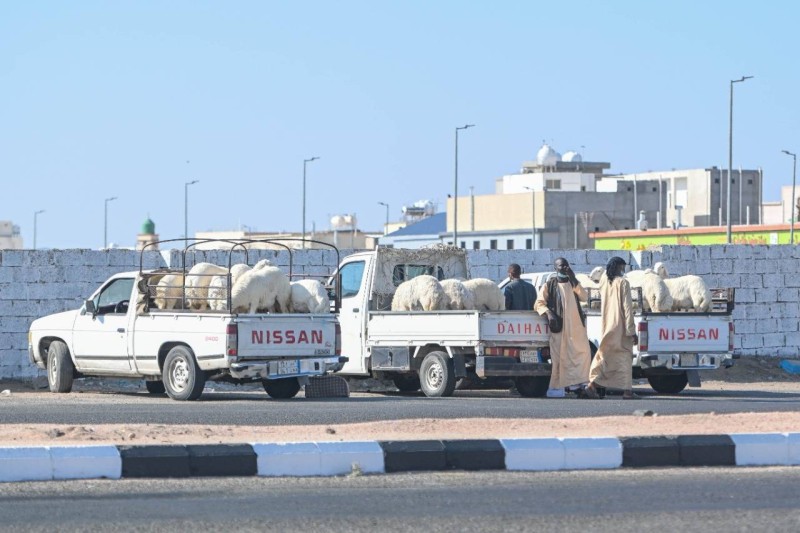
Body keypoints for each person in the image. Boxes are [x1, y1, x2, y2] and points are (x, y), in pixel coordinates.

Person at [534, 257, 591, 397]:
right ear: (555, 268)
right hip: (559, 329)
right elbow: (538, 303)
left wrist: (573, 277)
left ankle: (578, 385)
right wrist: (548, 313)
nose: (564, 268)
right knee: (560, 358)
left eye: (566, 265)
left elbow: (584, 297)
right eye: (561, 266)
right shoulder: (549, 285)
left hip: (576, 328)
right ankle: (557, 388)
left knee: (582, 355)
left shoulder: (573, 283)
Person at [584, 256, 638, 400]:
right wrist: (631, 331)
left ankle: (592, 385)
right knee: (625, 356)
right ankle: (627, 392)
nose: (623, 270)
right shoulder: (623, 283)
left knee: (606, 356)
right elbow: (627, 308)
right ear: (619, 267)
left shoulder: (603, 281)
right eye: (622, 267)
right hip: (620, 326)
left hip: (607, 325)